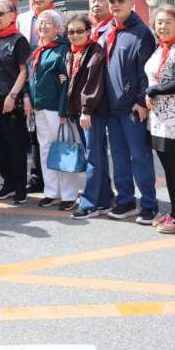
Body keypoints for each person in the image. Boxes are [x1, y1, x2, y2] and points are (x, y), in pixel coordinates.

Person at [98, 0, 158, 225]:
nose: (115, 5)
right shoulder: (106, 32)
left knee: (139, 157)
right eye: (112, 1)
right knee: (119, 157)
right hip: (111, 109)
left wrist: (141, 101)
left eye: (121, 0)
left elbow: (146, 72)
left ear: (132, 3)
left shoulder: (142, 33)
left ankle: (149, 204)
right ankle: (126, 200)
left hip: (133, 109)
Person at [141, 5, 175, 233]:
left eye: (168, 22)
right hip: (158, 119)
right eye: (159, 22)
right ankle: (173, 213)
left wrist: (151, 91)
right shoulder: (160, 48)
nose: (162, 26)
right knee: (169, 170)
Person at [24, 9, 77, 210]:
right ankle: (51, 191)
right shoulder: (36, 49)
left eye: (48, 22)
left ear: (58, 27)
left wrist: (64, 111)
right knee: (45, 150)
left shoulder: (63, 49)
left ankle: (69, 195)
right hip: (39, 108)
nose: (43, 26)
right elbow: (31, 77)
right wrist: (28, 98)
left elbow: (66, 82)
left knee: (62, 150)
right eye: (40, 22)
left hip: (56, 109)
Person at [0, 0, 31, 204]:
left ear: (12, 16)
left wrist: (13, 96)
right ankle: (8, 184)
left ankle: (20, 188)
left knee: (15, 146)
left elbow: (24, 71)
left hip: (10, 102)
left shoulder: (18, 40)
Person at [64, 14, 107, 220]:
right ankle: (104, 200)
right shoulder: (71, 52)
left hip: (90, 113)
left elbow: (93, 84)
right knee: (96, 157)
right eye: (71, 32)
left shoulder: (94, 51)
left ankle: (90, 204)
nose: (75, 35)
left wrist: (86, 110)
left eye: (80, 31)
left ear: (89, 32)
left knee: (93, 158)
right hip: (78, 112)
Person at [16, 0, 56, 193]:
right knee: (33, 134)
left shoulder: (59, 19)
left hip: (51, 84)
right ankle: (36, 177)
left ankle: (56, 180)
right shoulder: (22, 19)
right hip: (27, 80)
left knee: (52, 134)